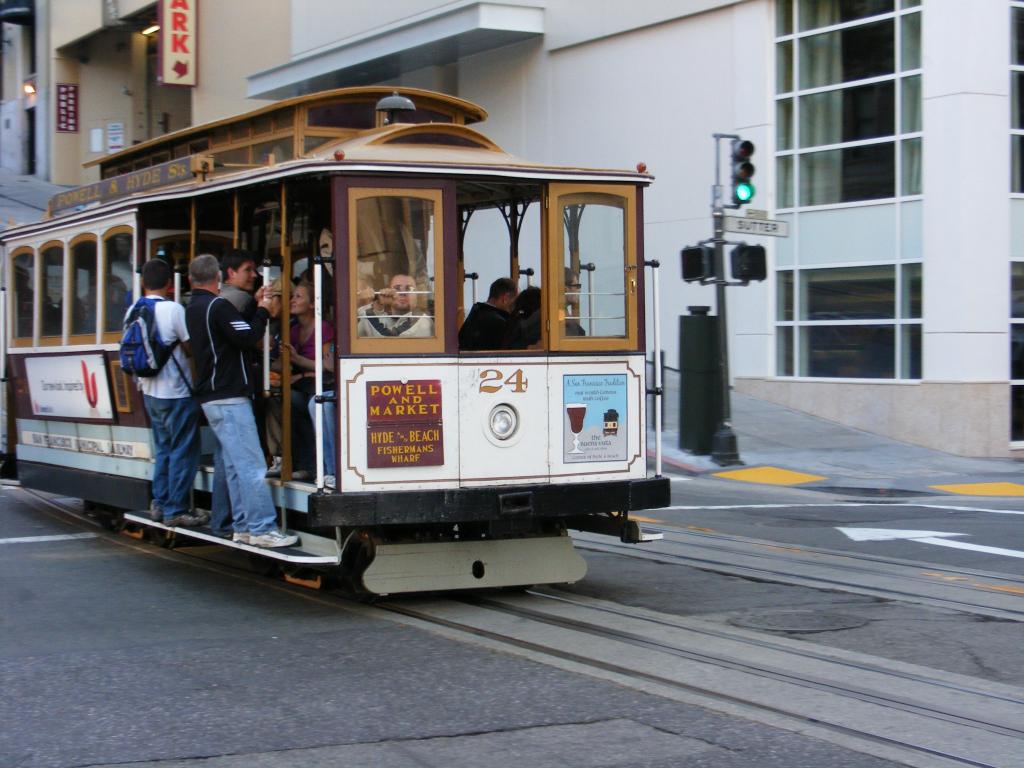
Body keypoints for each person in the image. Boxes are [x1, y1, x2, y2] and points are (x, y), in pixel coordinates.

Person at [185, 254, 297, 549]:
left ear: (190, 279)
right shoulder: (216, 305)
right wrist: (262, 310)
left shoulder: (194, 307)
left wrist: (254, 307)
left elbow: (232, 335)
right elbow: (247, 337)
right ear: (219, 277)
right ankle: (262, 528)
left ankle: (243, 526)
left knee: (235, 465)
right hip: (228, 395)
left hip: (212, 396)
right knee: (251, 465)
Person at [133, 259, 204, 527]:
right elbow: (190, 347)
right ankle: (177, 509)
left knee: (163, 449)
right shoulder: (173, 309)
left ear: (143, 282)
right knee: (183, 451)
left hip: (149, 390)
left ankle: (159, 503)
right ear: (169, 285)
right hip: (176, 391)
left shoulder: (134, 308)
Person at [281, 281, 334, 481]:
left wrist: (298, 361)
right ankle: (292, 461)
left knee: (300, 402)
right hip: (302, 383)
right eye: (292, 296)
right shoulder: (293, 330)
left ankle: (314, 466)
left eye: (299, 297)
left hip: (322, 383)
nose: (293, 300)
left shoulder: (323, 328)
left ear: (313, 304)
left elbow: (327, 366)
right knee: (284, 401)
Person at [357, 273, 434, 337]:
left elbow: (388, 340)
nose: (402, 293)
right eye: (397, 288)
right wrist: (378, 305)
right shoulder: (387, 319)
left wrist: (367, 305)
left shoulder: (422, 320)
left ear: (417, 295)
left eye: (409, 289)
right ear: (388, 291)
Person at [459, 277, 517, 350]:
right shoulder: (500, 323)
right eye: (515, 301)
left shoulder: (475, 315)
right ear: (505, 298)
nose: (515, 306)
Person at [219, 249, 259, 319]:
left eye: (254, 270)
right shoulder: (243, 298)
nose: (254, 275)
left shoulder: (218, 295)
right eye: (248, 270)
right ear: (231, 273)